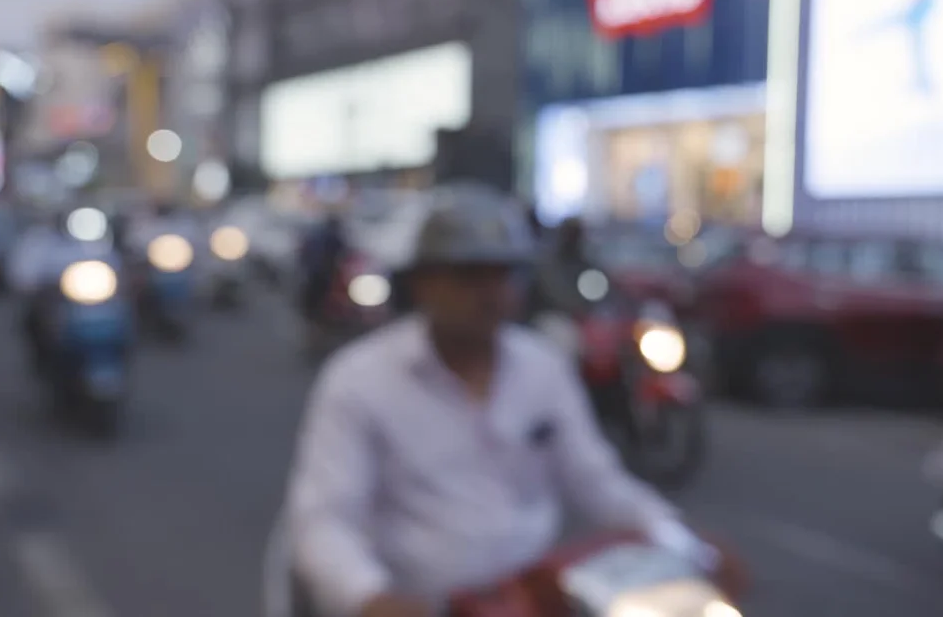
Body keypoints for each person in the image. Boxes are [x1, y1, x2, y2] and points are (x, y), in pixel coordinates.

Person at [277, 183, 732, 617]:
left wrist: (685, 546)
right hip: (420, 604)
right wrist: (369, 599)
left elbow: (596, 480)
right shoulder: (359, 380)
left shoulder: (542, 367)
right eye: (469, 276)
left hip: (537, 599)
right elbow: (325, 520)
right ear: (423, 283)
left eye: (503, 274)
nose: (489, 292)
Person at [7, 207, 120, 367]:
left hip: (91, 300)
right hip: (54, 300)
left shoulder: (90, 240)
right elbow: (23, 274)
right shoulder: (38, 241)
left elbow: (112, 264)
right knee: (35, 321)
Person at [298, 210, 346, 322]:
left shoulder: (316, 234)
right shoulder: (332, 236)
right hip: (322, 270)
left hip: (316, 270)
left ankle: (312, 312)